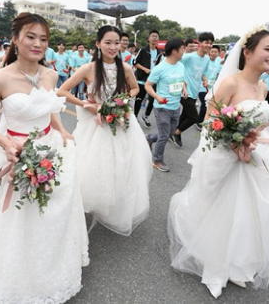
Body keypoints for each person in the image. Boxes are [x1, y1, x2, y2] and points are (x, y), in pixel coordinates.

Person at [168, 27, 269, 298]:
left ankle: (236, 263)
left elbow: (259, 122)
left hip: (257, 154)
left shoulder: (262, 86)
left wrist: (250, 141)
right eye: (268, 49)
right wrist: (235, 140)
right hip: (227, 155)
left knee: (250, 212)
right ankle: (215, 263)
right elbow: (209, 121)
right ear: (247, 52)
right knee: (223, 209)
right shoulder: (230, 83)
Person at [0, 12, 88, 303]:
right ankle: (21, 274)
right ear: (15, 39)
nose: (38, 44)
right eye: (31, 36)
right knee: (21, 215)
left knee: (54, 210)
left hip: (51, 149)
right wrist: (5, 144)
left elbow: (49, 107)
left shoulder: (50, 74)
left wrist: (63, 130)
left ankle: (52, 267)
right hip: (19, 154)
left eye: (44, 39)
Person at [57, 25, 152, 236]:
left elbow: (136, 88)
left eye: (116, 42)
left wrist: (122, 101)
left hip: (121, 123)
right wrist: (87, 105)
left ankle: (117, 205)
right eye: (107, 42)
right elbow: (61, 91)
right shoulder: (88, 68)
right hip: (95, 126)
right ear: (98, 44)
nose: (112, 47)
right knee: (93, 166)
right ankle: (92, 202)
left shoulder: (126, 68)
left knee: (123, 166)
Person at [145, 38, 187, 172]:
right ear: (174, 51)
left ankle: (150, 138)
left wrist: (183, 89)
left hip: (175, 106)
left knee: (169, 133)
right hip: (162, 108)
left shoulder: (180, 65)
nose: (184, 52)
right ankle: (157, 160)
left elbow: (181, 81)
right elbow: (148, 85)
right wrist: (157, 97)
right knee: (164, 136)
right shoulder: (160, 68)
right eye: (182, 49)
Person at [171, 32, 214, 148]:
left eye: (211, 43)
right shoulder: (189, 57)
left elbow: (203, 73)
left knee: (185, 114)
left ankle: (172, 132)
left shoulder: (207, 59)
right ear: (200, 43)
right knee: (194, 117)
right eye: (206, 42)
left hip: (194, 91)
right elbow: (173, 64)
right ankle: (176, 133)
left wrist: (204, 80)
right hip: (184, 90)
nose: (209, 45)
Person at [133, 30, 163, 127]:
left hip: (153, 80)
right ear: (148, 38)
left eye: (156, 36)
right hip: (142, 79)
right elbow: (135, 63)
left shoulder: (159, 52)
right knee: (139, 99)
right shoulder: (143, 50)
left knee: (153, 99)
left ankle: (145, 116)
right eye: (152, 36)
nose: (154, 38)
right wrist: (145, 69)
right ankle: (135, 116)